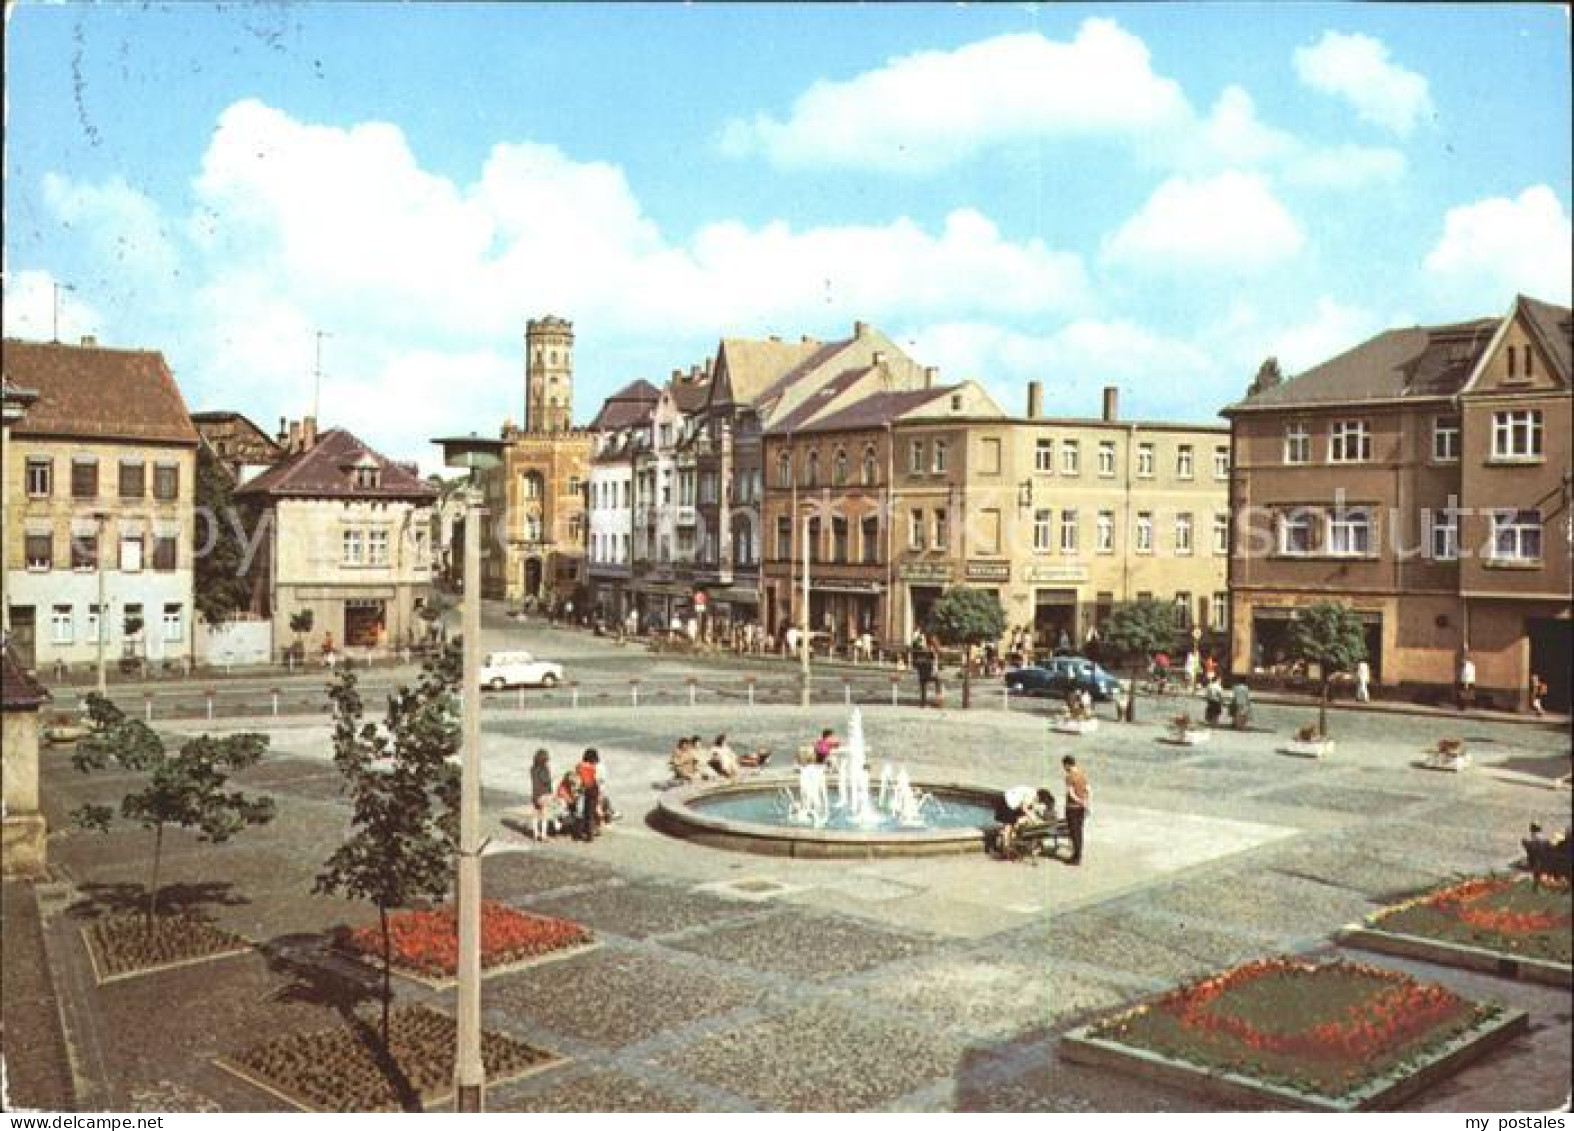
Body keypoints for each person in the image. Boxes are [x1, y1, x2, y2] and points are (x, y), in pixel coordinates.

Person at [1062, 755, 1090, 866]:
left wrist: (1079, 801)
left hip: (1072, 808)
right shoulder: (1082, 774)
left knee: (1074, 833)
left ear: (1067, 764)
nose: (1064, 768)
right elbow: (1088, 789)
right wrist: (1085, 802)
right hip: (1081, 808)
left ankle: (1076, 858)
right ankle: (1078, 855)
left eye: (1064, 766)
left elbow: (1071, 793)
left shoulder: (1069, 776)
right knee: (1079, 832)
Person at [575, 749, 603, 841]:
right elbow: (597, 779)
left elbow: (579, 779)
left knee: (582, 813)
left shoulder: (580, 766)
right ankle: (590, 834)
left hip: (585, 790)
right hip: (594, 789)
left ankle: (581, 833)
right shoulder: (593, 767)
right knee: (590, 813)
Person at [529, 749, 554, 841]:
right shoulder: (544, 768)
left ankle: (535, 834)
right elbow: (545, 780)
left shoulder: (532, 768)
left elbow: (536, 780)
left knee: (535, 815)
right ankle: (543, 836)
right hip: (543, 794)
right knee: (544, 816)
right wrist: (551, 777)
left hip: (535, 794)